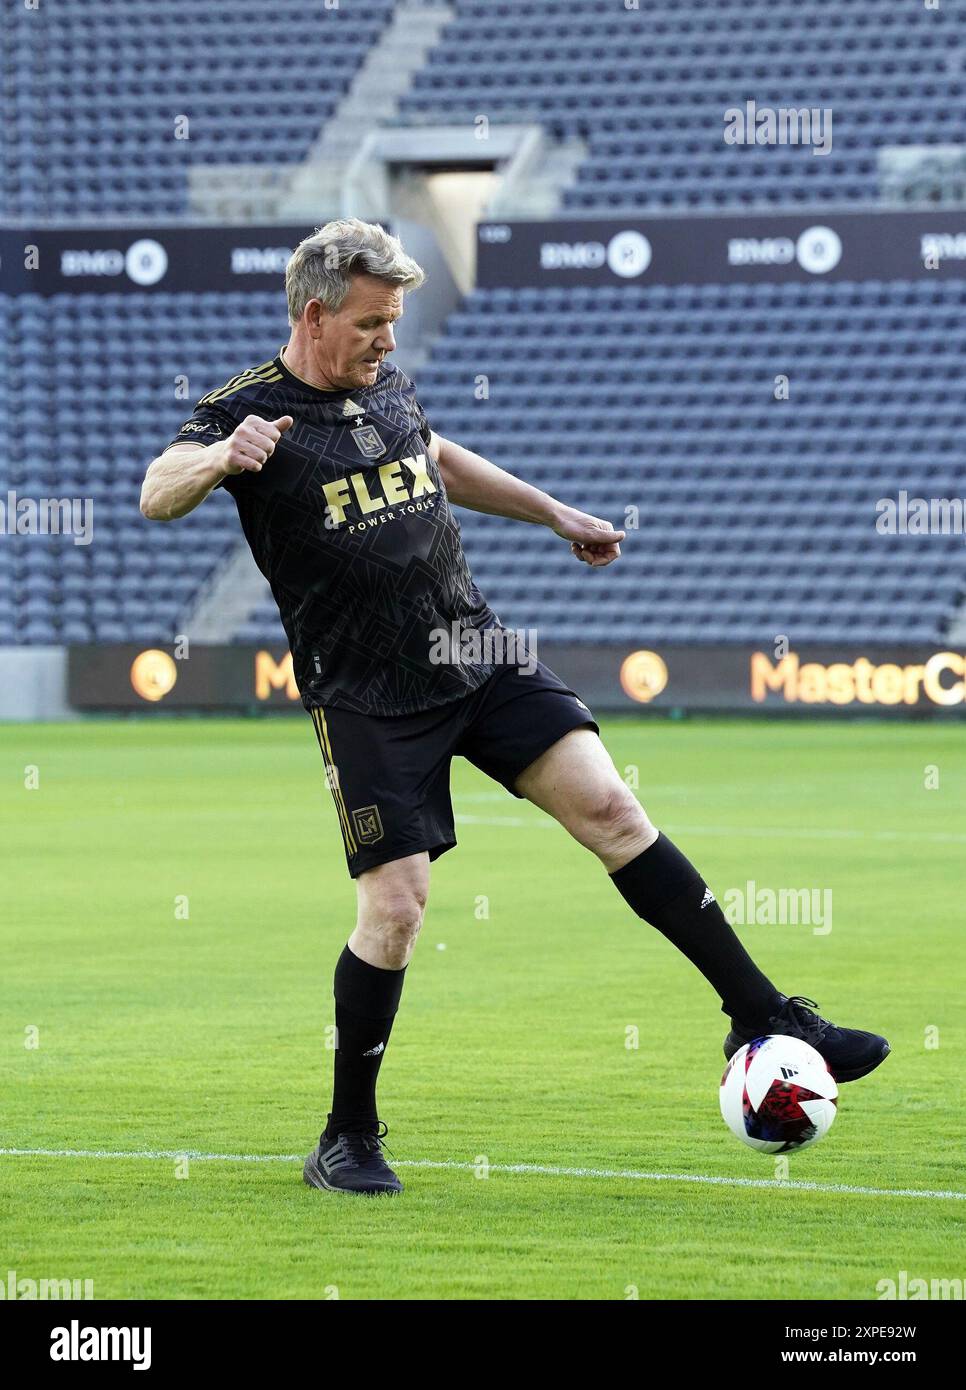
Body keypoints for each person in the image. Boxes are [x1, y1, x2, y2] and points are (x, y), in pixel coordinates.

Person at [140, 218, 889, 1196]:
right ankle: (346, 1136)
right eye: (372, 323)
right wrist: (218, 460)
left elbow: (437, 456)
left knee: (616, 811)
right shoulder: (248, 411)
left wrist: (553, 513)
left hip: (476, 649)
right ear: (316, 315)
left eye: (396, 322)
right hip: (369, 697)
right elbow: (159, 489)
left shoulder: (385, 386)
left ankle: (766, 1014)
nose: (389, 341)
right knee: (397, 907)